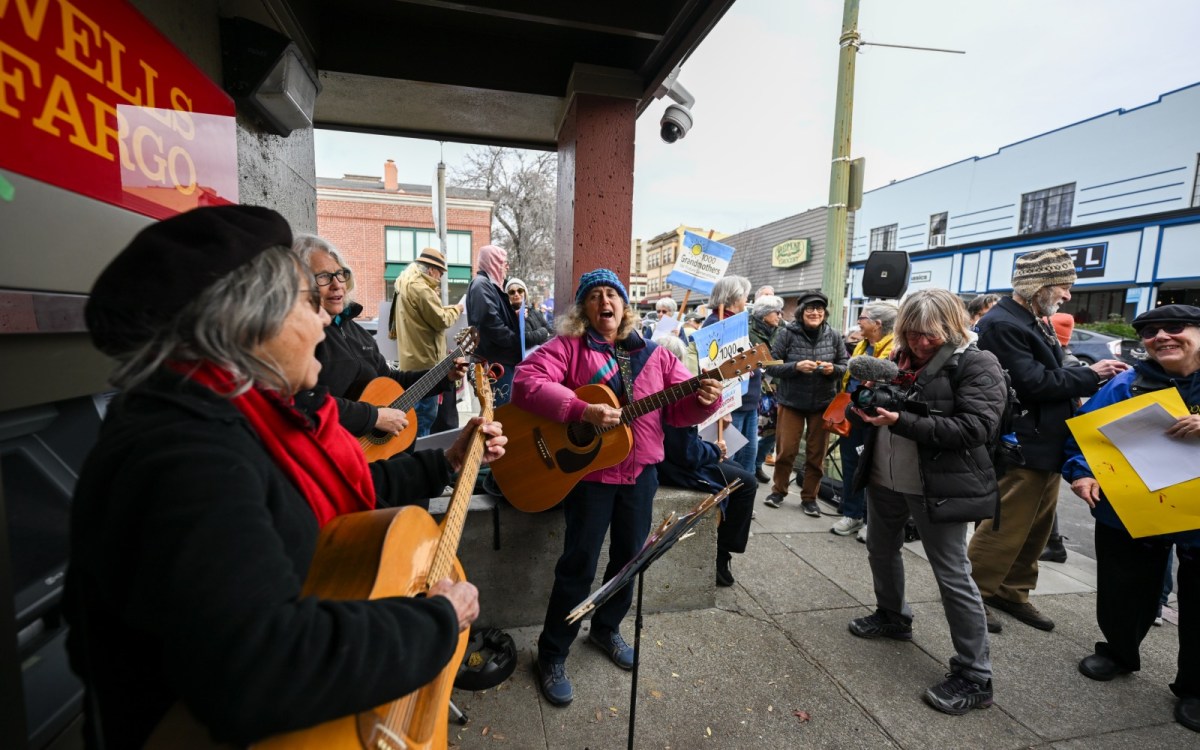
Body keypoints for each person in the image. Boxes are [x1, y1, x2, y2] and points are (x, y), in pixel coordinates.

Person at [64, 206, 507, 748]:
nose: (323, 322)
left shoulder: (259, 416)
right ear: (252, 319)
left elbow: (347, 503)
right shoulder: (186, 453)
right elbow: (257, 666)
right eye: (308, 303)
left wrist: (446, 462)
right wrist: (435, 621)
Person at [510, 268, 722, 707]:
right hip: (590, 477)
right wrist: (579, 410)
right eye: (595, 296)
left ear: (624, 306)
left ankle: (605, 629)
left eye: (612, 295)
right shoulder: (567, 347)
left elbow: (678, 411)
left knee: (630, 562)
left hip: (641, 475)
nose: (604, 302)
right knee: (578, 565)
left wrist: (707, 399)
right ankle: (552, 653)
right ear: (584, 308)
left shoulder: (656, 355)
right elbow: (526, 383)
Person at [848, 288, 1007, 716]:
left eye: (931, 336)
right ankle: (892, 616)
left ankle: (976, 675)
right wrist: (863, 406)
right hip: (884, 474)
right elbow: (873, 410)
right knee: (880, 548)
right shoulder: (896, 357)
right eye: (913, 333)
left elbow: (975, 428)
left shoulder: (977, 363)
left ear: (953, 327)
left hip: (939, 484)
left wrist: (901, 420)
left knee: (952, 573)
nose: (920, 343)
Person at [967, 249, 1129, 632]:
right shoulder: (1002, 323)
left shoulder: (1029, 319)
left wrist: (1082, 375)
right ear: (1037, 285)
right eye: (1063, 286)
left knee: (1035, 530)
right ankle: (971, 596)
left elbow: (1049, 372)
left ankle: (1011, 591)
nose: (1067, 295)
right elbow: (1032, 383)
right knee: (1004, 527)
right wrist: (1092, 374)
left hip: (1045, 441)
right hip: (1023, 442)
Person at [1062, 303, 1200, 733]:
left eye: (1174, 327)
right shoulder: (1126, 384)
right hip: (1132, 509)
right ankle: (1119, 652)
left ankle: (1196, 687)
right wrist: (1082, 473)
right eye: (1150, 332)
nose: (1161, 337)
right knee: (1123, 589)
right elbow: (1085, 437)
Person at [294, 234, 460, 438]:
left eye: (340, 274)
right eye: (323, 277)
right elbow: (302, 402)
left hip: (371, 451)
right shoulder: (297, 337)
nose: (337, 284)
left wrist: (444, 376)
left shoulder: (357, 333)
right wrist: (374, 417)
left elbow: (390, 380)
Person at [654, 335, 756, 587]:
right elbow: (687, 454)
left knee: (738, 470)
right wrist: (715, 450)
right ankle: (722, 553)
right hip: (671, 467)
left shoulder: (658, 385)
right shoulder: (672, 392)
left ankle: (724, 548)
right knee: (746, 483)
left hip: (669, 460)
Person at [762, 289, 848, 515]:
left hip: (822, 403)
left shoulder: (834, 335)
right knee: (786, 451)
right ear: (801, 312)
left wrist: (833, 369)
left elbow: (844, 365)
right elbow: (771, 365)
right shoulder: (787, 333)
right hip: (791, 401)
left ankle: (810, 498)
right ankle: (778, 491)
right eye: (810, 308)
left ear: (824, 313)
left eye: (819, 309)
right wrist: (795, 367)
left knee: (816, 455)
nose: (815, 312)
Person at [831, 300, 898, 537]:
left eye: (862, 318)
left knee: (875, 468)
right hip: (854, 413)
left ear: (877, 324)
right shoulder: (862, 345)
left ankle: (872, 520)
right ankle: (852, 514)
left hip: (877, 417)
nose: (858, 322)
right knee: (851, 464)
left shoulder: (895, 348)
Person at [393, 246, 465, 436]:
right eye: (440, 273)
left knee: (414, 418)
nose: (440, 277)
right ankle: (418, 452)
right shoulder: (421, 289)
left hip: (411, 361)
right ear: (432, 270)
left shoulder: (405, 283)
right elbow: (442, 320)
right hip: (426, 363)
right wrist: (457, 309)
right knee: (424, 418)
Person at [702, 275, 759, 474]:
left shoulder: (737, 323)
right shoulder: (715, 325)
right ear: (734, 297)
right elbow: (711, 371)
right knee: (729, 463)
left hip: (748, 402)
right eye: (745, 295)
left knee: (748, 461)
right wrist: (722, 408)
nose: (747, 299)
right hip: (730, 406)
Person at [467, 244, 521, 405]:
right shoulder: (481, 285)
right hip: (496, 365)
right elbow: (491, 324)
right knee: (500, 414)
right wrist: (518, 341)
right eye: (503, 262)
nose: (507, 267)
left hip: (498, 362)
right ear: (493, 263)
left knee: (500, 413)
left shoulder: (488, 285)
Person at [750, 294, 785, 482]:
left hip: (777, 387)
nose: (780, 316)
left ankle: (757, 463)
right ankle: (749, 469)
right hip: (756, 387)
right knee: (755, 431)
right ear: (764, 314)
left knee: (775, 430)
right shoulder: (748, 330)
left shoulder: (782, 330)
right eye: (776, 312)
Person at [506, 277, 554, 350]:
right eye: (512, 292)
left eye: (520, 290)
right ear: (508, 295)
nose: (516, 294)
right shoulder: (508, 315)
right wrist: (544, 332)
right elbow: (526, 339)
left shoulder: (534, 311)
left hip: (543, 352)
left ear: (525, 293)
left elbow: (550, 330)